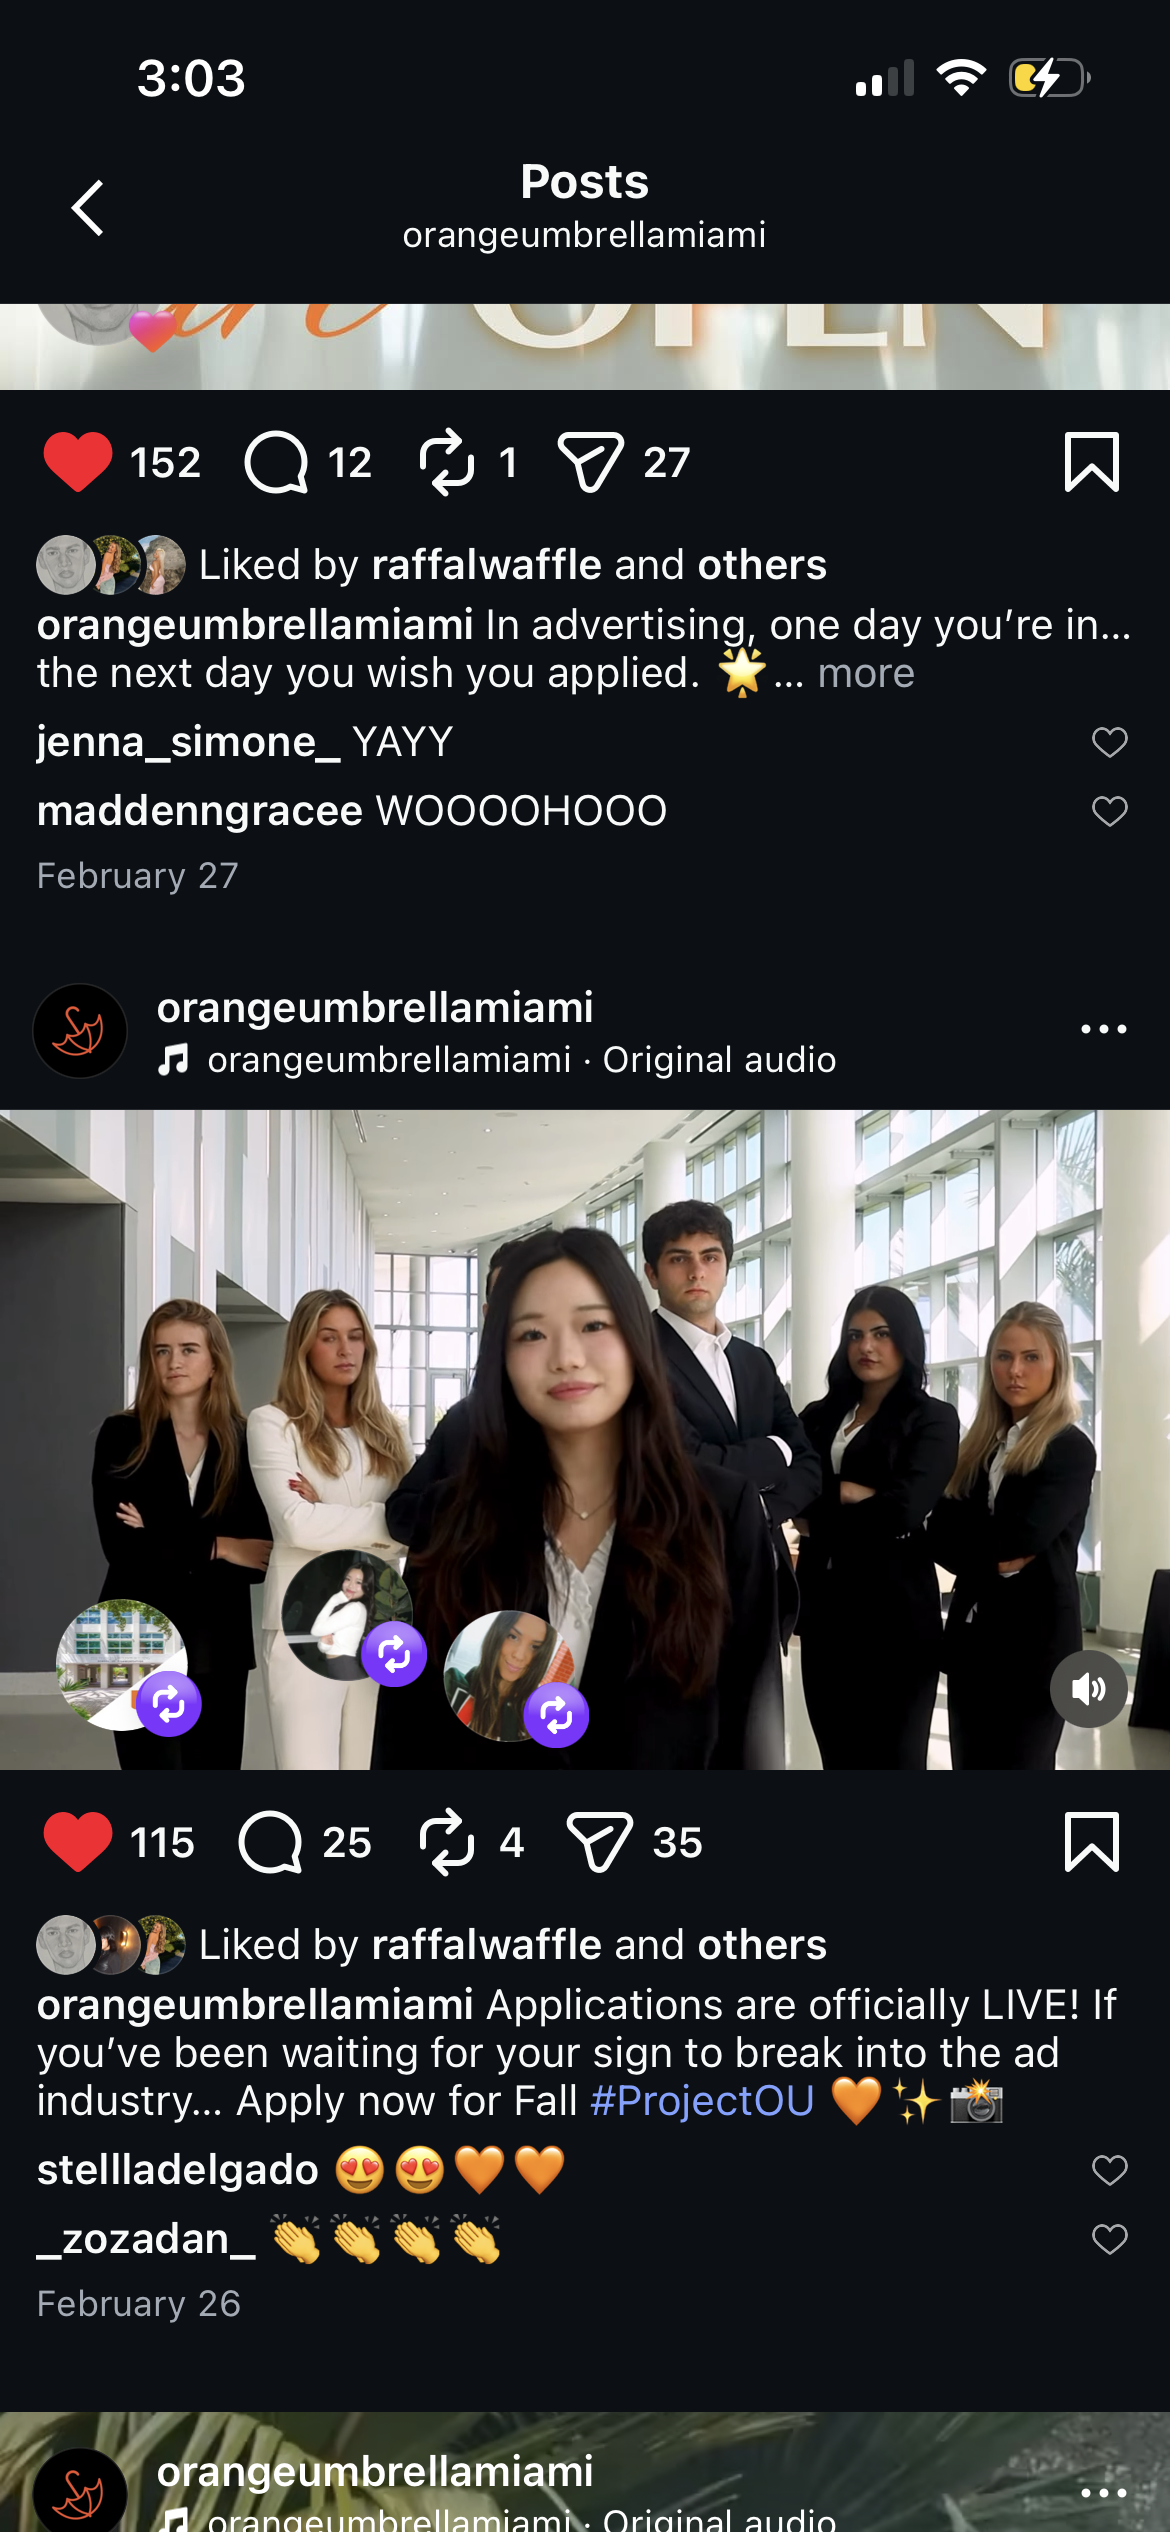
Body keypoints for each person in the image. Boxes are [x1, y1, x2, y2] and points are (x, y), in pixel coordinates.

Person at [371, 1228, 778, 1770]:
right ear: (502, 1356)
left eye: (593, 1325)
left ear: (635, 1338)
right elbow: (410, 1730)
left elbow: (750, 1729)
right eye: (532, 1334)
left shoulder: (720, 1512)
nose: (566, 1357)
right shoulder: (454, 1517)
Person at [92, 1301, 273, 1771]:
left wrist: (158, 1531)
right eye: (162, 1350)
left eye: (189, 1349)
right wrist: (220, 1546)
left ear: (215, 1360)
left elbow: (259, 1557)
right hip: (133, 1634)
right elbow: (123, 1548)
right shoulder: (120, 1435)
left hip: (220, 1640)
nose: (174, 1362)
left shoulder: (245, 1438)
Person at [642, 1198, 820, 1645]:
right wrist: (773, 1452)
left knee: (758, 1715)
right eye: (679, 1258)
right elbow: (687, 1467)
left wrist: (758, 1509)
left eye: (710, 1257)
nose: (696, 1272)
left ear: (726, 1266)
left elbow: (808, 1466)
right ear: (651, 1273)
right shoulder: (636, 1358)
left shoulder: (754, 1361)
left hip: (764, 1579)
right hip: (675, 1585)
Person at [796, 1286, 960, 1769]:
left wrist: (825, 1508)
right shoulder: (818, 1417)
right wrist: (851, 1494)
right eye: (856, 1335)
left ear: (906, 1340)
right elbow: (793, 1499)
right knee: (838, 1752)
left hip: (896, 1614)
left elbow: (904, 1511)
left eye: (882, 1334)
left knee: (895, 1756)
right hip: (824, 1608)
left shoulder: (932, 1419)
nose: (866, 1347)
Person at [929, 1302, 1097, 1770]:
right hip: (971, 1643)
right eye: (1003, 1357)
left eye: (1031, 1357)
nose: (1015, 1371)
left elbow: (1021, 1536)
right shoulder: (981, 1446)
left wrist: (978, 1543)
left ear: (1056, 1364)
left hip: (1035, 1649)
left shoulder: (1068, 1447)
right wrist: (993, 1555)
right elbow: (942, 1532)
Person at [247, 1291, 410, 1769]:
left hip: (382, 1617)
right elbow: (297, 1524)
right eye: (330, 1337)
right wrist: (386, 1518)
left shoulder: (390, 1432)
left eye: (355, 1337)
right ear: (304, 1348)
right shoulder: (273, 1424)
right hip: (305, 1618)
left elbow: (422, 1524)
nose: (346, 1350)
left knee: (371, 1764)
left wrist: (330, 1511)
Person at [384, 1239, 523, 1544]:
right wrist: (467, 1498)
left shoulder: (590, 1414)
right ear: (488, 1313)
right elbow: (400, 1513)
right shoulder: (465, 1417)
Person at [444, 1610, 562, 1742]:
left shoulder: (542, 1714)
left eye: (535, 1646)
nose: (519, 1656)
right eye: (513, 1637)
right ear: (497, 1634)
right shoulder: (453, 1687)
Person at [309, 1556, 378, 1679]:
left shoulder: (355, 1608)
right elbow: (329, 1645)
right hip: (337, 1665)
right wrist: (324, 1644)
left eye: (358, 1582)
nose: (351, 1586)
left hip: (344, 1666)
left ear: (367, 1586)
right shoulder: (348, 1606)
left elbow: (315, 1631)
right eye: (348, 1579)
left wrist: (333, 1600)